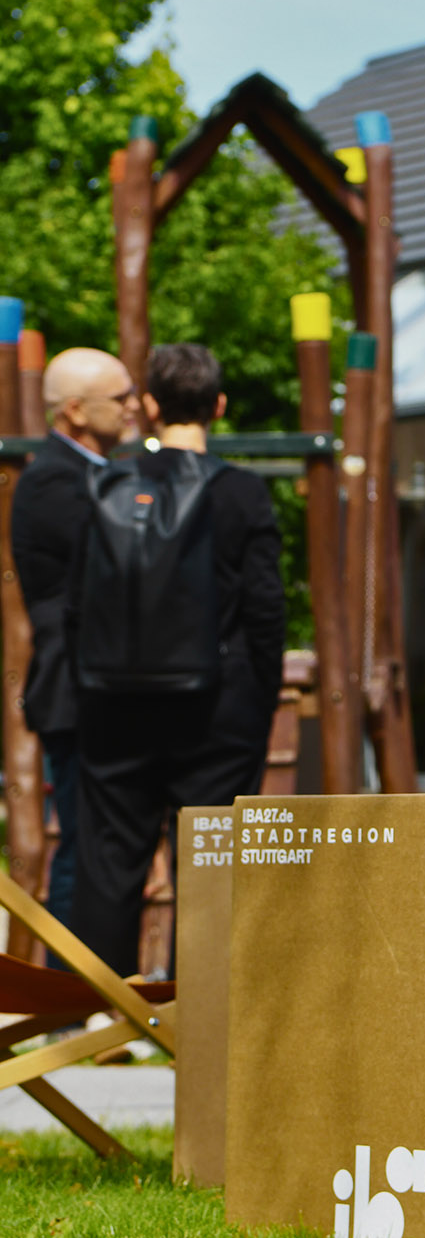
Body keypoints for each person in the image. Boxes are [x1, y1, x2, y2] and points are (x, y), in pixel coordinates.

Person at [70, 344, 285, 975]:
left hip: (115, 705)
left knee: (110, 857)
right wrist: (259, 698)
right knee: (213, 859)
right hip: (216, 710)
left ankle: (102, 1017)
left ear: (151, 406)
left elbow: (77, 604)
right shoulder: (242, 493)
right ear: (218, 405)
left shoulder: (106, 485)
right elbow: (265, 611)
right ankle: (207, 1008)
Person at [10, 348, 139, 952]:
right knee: (88, 845)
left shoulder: (90, 473)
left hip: (102, 687)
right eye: (121, 398)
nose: (135, 407)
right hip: (77, 690)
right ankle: (73, 997)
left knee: (110, 844)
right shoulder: (54, 482)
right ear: (74, 411)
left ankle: (109, 998)